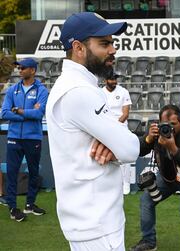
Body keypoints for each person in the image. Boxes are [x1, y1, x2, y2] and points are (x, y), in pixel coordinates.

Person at [46, 12, 139, 251]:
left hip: (93, 221)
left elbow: (121, 144)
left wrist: (112, 141)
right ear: (78, 47)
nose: (113, 49)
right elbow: (130, 148)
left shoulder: (79, 86)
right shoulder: (77, 91)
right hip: (95, 224)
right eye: (104, 43)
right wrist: (117, 141)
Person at [130, 104, 180, 251]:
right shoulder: (157, 133)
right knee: (146, 201)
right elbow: (139, 152)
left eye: (173, 124)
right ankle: (149, 242)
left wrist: (173, 148)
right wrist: (148, 139)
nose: (169, 128)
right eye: (165, 125)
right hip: (168, 176)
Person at [1, 58, 49, 222]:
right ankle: (13, 208)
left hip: (33, 138)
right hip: (14, 137)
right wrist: (25, 114)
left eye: (23, 68)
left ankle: (30, 205)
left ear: (33, 70)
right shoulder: (12, 89)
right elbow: (4, 113)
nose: (19, 70)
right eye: (19, 68)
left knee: (34, 173)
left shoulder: (42, 90)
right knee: (12, 173)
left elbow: (39, 114)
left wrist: (19, 111)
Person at [102, 71, 133, 195]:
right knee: (107, 156)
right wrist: (108, 127)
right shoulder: (100, 93)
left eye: (115, 79)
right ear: (105, 80)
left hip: (121, 127)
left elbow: (125, 114)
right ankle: (109, 183)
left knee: (124, 156)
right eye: (111, 79)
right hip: (106, 128)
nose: (114, 82)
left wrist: (115, 126)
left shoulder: (123, 91)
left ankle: (126, 183)